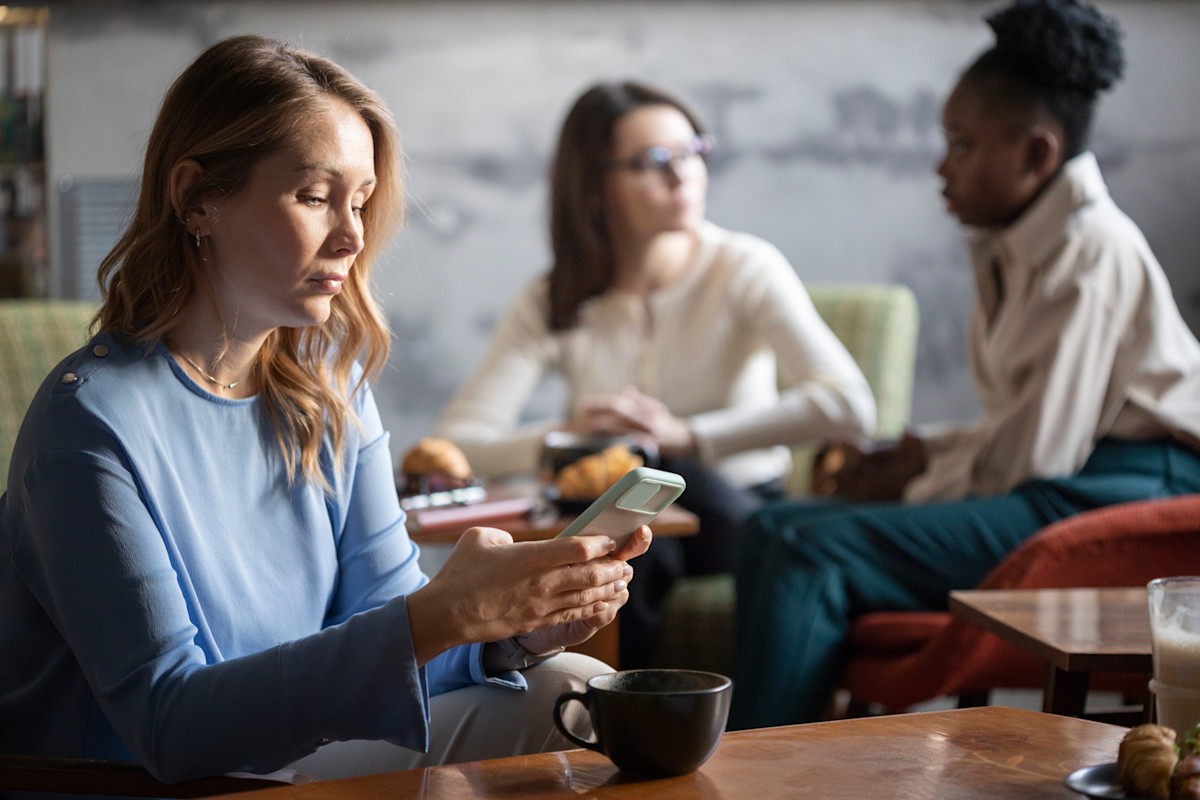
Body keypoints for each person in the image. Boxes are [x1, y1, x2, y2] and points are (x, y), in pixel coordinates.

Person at [0, 35, 651, 785]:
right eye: (314, 196)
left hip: (289, 756)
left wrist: (509, 632)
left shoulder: (330, 392)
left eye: (362, 202)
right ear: (196, 198)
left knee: (564, 681)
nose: (351, 236)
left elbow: (395, 635)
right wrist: (442, 614)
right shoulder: (88, 425)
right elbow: (170, 725)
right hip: (150, 777)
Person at [732, 0, 1200, 730]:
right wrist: (916, 454)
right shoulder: (1015, 243)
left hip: (1125, 490)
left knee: (801, 544)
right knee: (767, 528)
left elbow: (1029, 455)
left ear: (1037, 155)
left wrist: (914, 479)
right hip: (1068, 476)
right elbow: (1019, 427)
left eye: (960, 144)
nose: (941, 166)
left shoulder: (1091, 250)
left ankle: (758, 774)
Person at [433, 80, 876, 668]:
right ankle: (590, 720)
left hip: (735, 513)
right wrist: (576, 439)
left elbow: (849, 406)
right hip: (628, 522)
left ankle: (593, 718)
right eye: (653, 162)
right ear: (594, 187)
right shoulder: (555, 298)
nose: (683, 174)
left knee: (644, 490)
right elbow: (457, 444)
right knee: (630, 543)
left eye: (694, 151)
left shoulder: (743, 266)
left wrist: (684, 437)